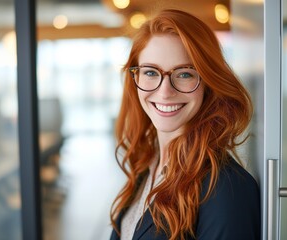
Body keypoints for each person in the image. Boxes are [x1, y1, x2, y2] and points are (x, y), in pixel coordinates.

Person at [109, 9, 260, 240]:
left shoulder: (226, 188)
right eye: (150, 72)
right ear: (135, 79)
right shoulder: (147, 164)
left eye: (185, 74)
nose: (165, 92)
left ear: (209, 81)